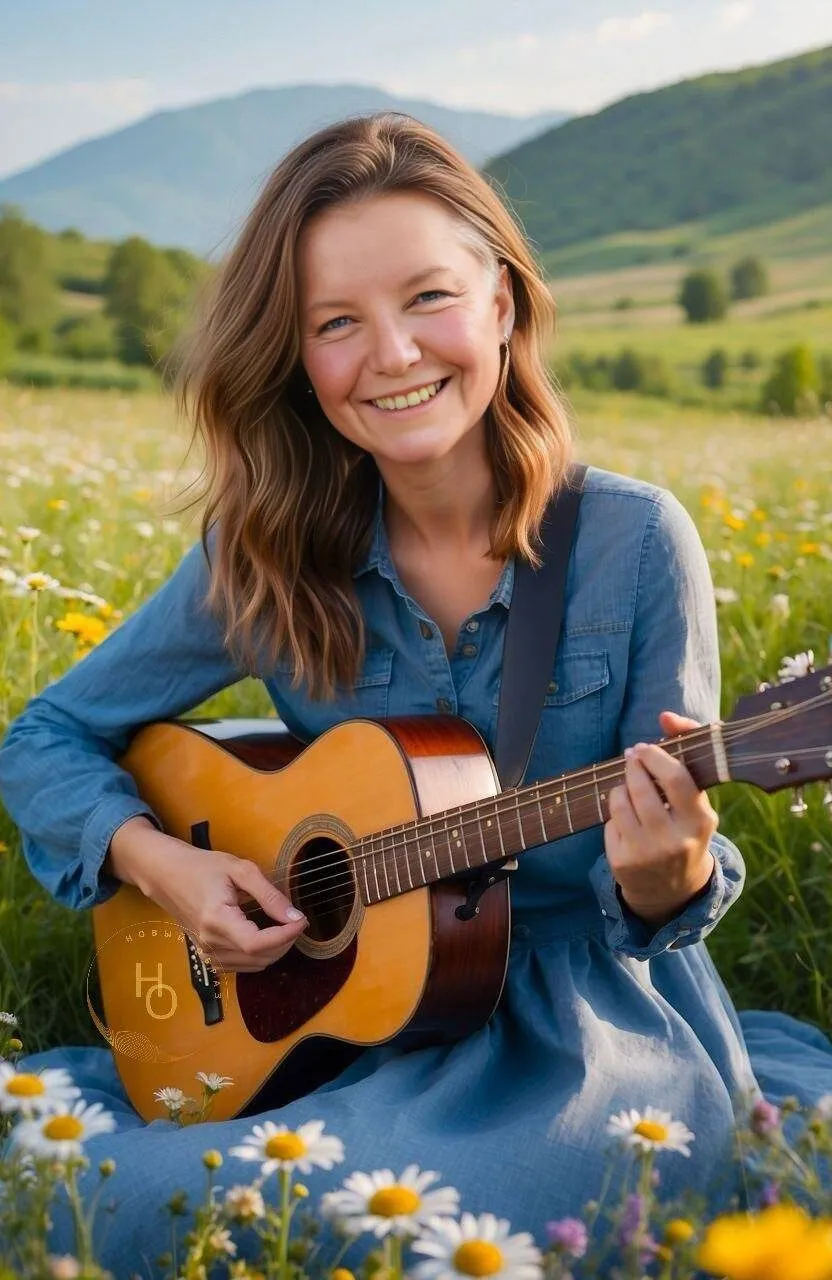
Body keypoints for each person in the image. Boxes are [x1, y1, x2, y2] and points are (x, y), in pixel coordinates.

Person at [0, 112, 830, 1276]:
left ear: (501, 302)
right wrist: (165, 863)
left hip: (582, 1036)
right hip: (341, 1018)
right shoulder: (266, 552)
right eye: (336, 323)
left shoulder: (635, 542)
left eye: (426, 298)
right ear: (296, 358)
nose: (390, 355)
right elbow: (42, 735)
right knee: (70, 1176)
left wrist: (665, 873)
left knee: (342, 1220)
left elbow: (661, 898)